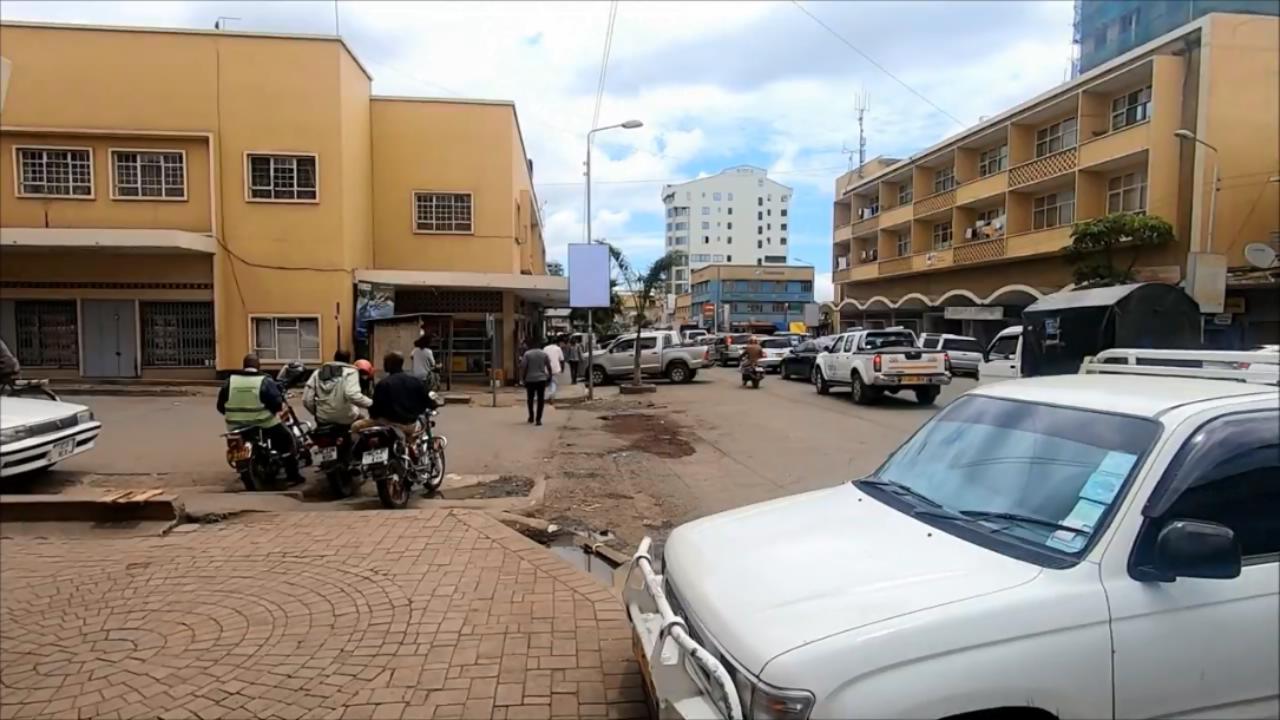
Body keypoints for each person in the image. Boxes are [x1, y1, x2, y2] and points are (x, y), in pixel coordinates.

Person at [217, 353, 302, 484]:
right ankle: (293, 476)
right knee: (286, 439)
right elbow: (276, 403)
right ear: (258, 365)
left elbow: (220, 406)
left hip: (235, 425)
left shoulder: (230, 381)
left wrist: (236, 415)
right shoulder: (264, 380)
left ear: (244, 366)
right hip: (263, 423)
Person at [353, 352, 431, 448]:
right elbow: (425, 402)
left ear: (389, 364)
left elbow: (375, 409)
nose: (383, 364)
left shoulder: (383, 384)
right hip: (411, 425)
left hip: (388, 424)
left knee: (356, 426)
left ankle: (352, 457)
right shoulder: (416, 382)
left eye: (385, 362)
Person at [303, 349, 372, 426]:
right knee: (363, 424)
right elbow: (352, 395)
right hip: (346, 418)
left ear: (334, 358)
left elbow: (307, 399)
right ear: (349, 359)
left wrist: (317, 412)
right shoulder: (351, 372)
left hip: (323, 418)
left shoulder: (317, 372)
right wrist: (371, 403)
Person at [519, 338, 553, 426]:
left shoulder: (527, 354)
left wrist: (523, 379)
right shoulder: (544, 354)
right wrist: (550, 377)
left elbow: (523, 367)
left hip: (530, 380)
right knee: (540, 400)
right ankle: (538, 419)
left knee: (530, 399)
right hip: (541, 379)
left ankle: (531, 416)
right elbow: (549, 366)